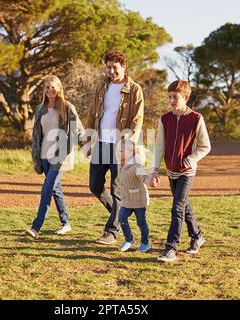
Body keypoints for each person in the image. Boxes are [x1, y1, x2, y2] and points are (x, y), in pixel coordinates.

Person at [86, 51, 145, 245]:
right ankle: (119, 215)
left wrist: (130, 144)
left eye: (115, 67)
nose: (112, 71)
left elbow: (137, 120)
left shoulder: (134, 89)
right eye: (108, 67)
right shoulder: (102, 87)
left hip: (120, 145)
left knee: (117, 189)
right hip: (101, 143)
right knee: (95, 186)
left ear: (123, 67)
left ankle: (111, 231)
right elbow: (93, 113)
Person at [150, 80, 211, 262]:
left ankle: (170, 248)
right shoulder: (164, 119)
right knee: (184, 206)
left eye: (175, 97)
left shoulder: (196, 118)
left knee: (177, 208)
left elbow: (205, 146)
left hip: (187, 171)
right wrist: (155, 170)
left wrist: (191, 159)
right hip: (171, 171)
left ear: (185, 97)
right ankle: (197, 236)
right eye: (169, 97)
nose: (171, 100)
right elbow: (159, 146)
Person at [25, 75, 85, 240]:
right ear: (44, 90)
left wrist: (85, 146)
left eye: (53, 87)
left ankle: (36, 227)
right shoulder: (40, 109)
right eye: (47, 87)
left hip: (60, 157)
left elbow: (78, 130)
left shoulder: (67, 107)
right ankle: (66, 223)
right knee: (55, 190)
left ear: (59, 88)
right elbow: (36, 136)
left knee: (47, 189)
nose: (50, 90)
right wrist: (36, 158)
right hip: (44, 157)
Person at [115, 139, 158, 253]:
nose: (118, 153)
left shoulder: (136, 167)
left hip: (138, 200)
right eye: (118, 150)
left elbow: (145, 178)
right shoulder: (122, 165)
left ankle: (145, 243)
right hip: (127, 201)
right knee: (122, 217)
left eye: (121, 151)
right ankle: (129, 240)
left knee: (141, 222)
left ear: (130, 152)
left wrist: (151, 182)